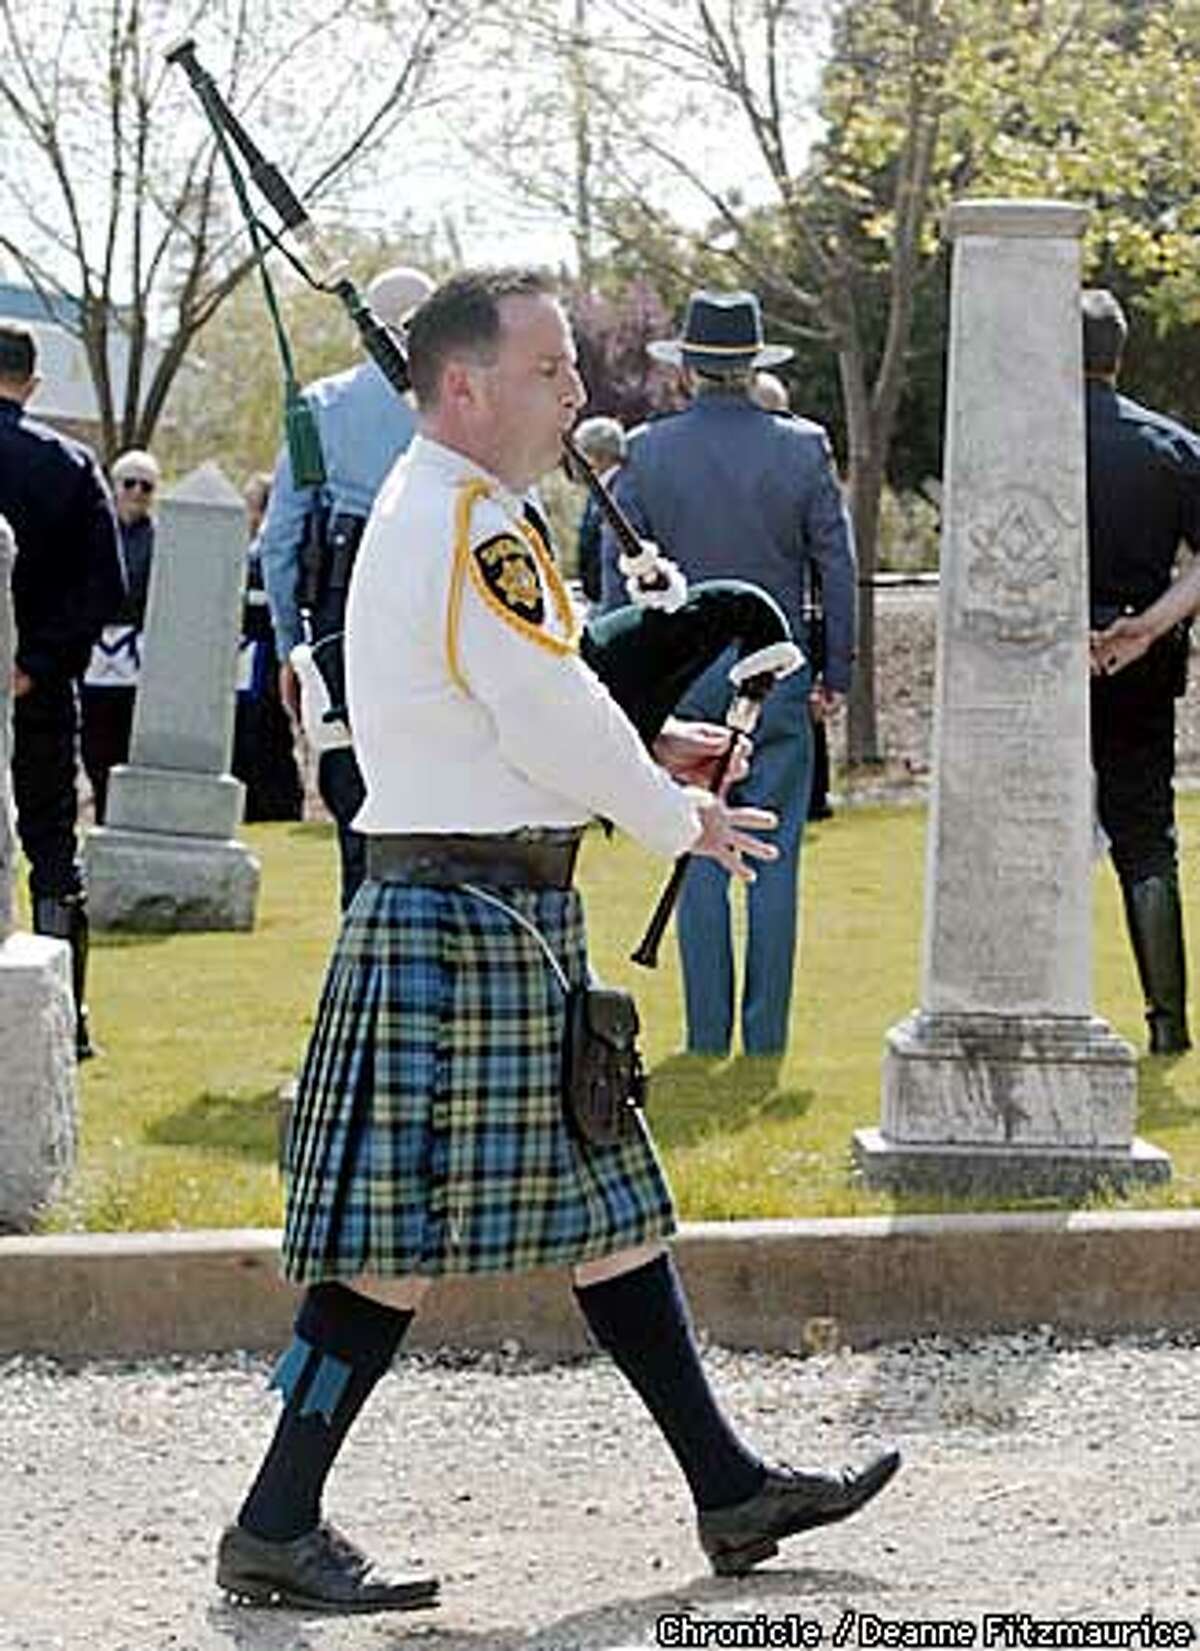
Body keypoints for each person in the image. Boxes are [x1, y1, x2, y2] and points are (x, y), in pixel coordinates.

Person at [214, 269, 898, 1614]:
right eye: (550, 371)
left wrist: (646, 745)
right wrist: (673, 814)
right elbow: (537, 703)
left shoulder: (461, 509)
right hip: (465, 914)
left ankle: (730, 1489)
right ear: (462, 387)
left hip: (486, 906)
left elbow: (530, 695)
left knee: (614, 1213)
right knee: (390, 1245)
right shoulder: (470, 520)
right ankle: (274, 1519)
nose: (579, 394)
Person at [601, 290, 856, 1058]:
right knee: (775, 858)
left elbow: (626, 577)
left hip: (682, 675)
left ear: (689, 370)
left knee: (695, 845)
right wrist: (834, 666)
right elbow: (833, 566)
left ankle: (708, 1032)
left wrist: (624, 680)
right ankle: (765, 1035)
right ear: (751, 367)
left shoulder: (648, 451)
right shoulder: (803, 445)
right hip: (772, 664)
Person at [258, 264, 434, 908]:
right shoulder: (462, 407)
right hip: (433, 603)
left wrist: (287, 646)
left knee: (355, 803)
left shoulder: (321, 408)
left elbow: (280, 542)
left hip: (345, 608)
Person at [0, 323, 125, 1058]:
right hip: (38, 688)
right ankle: (64, 1017)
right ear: (34, 384)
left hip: (29, 676)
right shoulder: (71, 465)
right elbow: (104, 585)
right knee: (51, 847)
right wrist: (40, 663)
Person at [1081, 288, 1200, 1054]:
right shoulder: (1172, 445)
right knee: (1145, 838)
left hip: (1038, 659)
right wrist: (1148, 627)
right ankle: (1168, 1025)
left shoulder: (1023, 442)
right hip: (1140, 659)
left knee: (1027, 835)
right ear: (1118, 355)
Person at [750, 370, 834, 822]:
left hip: (702, 663)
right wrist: (834, 668)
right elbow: (832, 564)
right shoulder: (803, 456)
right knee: (778, 826)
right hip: (784, 647)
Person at [79, 446, 159, 823]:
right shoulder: (93, 529)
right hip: (94, 645)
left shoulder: (160, 540)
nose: (137, 493)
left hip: (136, 650)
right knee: (93, 737)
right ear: (115, 487)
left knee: (127, 736)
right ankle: (98, 809)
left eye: (146, 486)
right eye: (130, 484)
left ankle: (123, 815)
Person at [231, 472, 304, 822]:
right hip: (245, 659)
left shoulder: (268, 552)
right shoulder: (244, 551)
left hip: (265, 655)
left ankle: (275, 806)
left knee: (266, 734)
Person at [570, 413, 627, 609]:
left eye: (578, 452)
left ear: (598, 455)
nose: (572, 461)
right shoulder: (598, 491)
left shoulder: (622, 493)